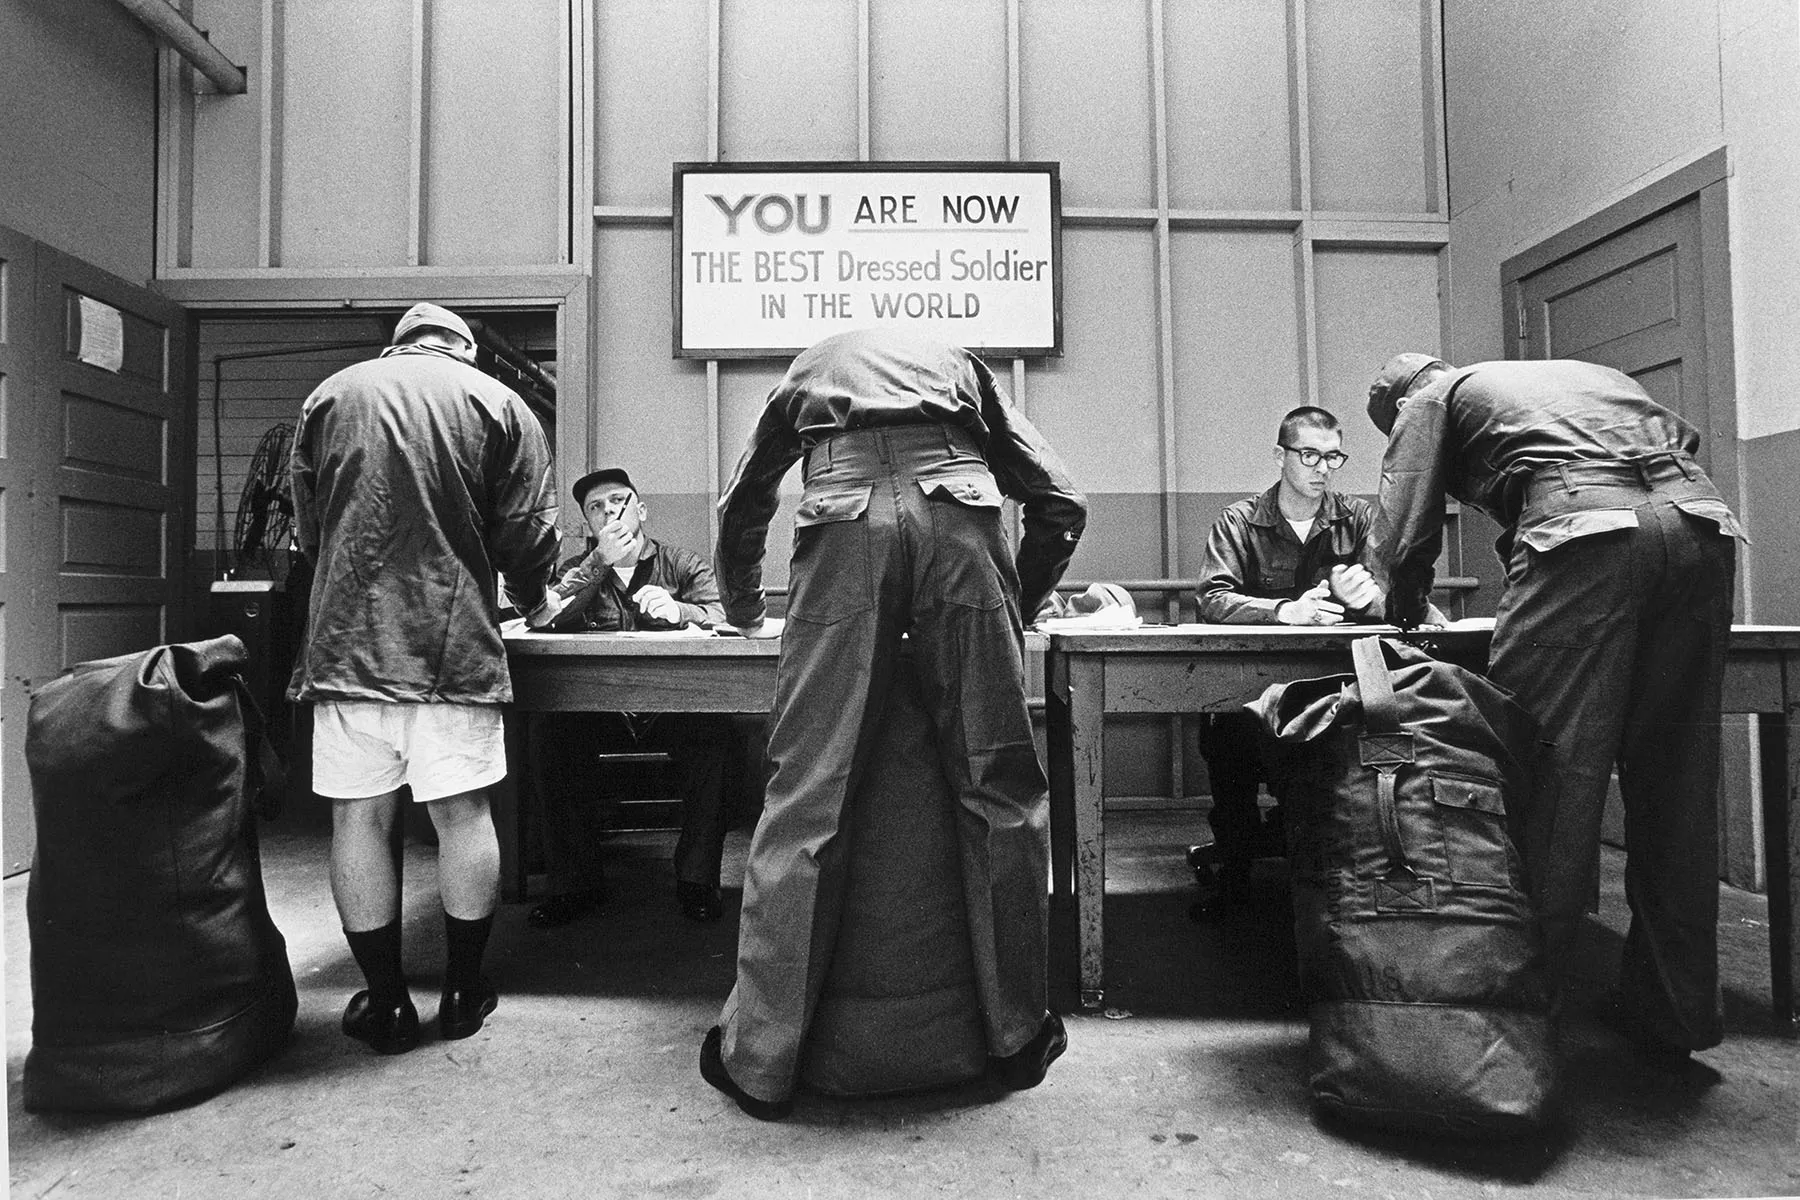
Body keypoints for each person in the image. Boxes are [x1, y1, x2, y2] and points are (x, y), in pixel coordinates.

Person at [698, 327, 1087, 1119]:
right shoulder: (962, 369)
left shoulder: (807, 370)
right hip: (964, 519)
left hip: (841, 523)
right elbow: (1060, 500)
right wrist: (1023, 599)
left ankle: (761, 1062)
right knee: (1001, 783)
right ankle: (1018, 1037)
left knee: (808, 790)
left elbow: (744, 499)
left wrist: (740, 604)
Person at [1366, 353, 1746, 1063]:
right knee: (1677, 784)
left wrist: (1401, 607)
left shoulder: (1428, 395)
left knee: (1541, 779)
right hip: (1701, 528)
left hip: (1585, 540)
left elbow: (1403, 516)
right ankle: (1676, 1012)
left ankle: (1510, 1031)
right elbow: (1679, 445)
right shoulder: (1574, 376)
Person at [289, 302, 560, 1055]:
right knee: (462, 815)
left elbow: (309, 528)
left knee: (359, 818)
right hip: (451, 647)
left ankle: (387, 1004)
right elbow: (528, 533)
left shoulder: (331, 396)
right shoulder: (499, 402)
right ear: (465, 350)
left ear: (401, 346)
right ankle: (465, 993)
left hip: (347, 648)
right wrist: (535, 598)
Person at [1191, 406, 1395, 906]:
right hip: (1252, 689)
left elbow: (1407, 603)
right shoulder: (1239, 521)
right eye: (1309, 455)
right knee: (1227, 734)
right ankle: (1236, 873)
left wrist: (1369, 600)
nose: (1322, 468)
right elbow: (1213, 597)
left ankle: (1349, 877)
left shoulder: (1360, 518)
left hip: (1334, 688)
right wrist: (1284, 611)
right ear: (1280, 457)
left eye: (1333, 457)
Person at [522, 466, 736, 925]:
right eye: (595, 508)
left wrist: (681, 610)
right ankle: (575, 885)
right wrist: (598, 563)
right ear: (588, 524)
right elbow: (547, 615)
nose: (608, 511)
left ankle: (698, 881)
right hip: (599, 708)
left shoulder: (680, 562)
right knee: (549, 734)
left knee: (714, 732)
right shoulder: (576, 570)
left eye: (617, 501)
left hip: (670, 704)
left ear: (640, 509)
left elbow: (723, 612)